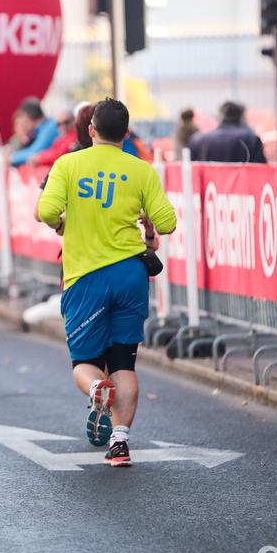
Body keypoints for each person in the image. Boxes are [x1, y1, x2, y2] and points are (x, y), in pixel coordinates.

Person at [36, 98, 177, 467]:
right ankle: (120, 443)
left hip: (86, 276)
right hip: (131, 274)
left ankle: (97, 388)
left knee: (84, 361)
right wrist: (146, 224)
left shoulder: (67, 164)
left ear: (91, 130)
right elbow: (168, 222)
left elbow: (46, 210)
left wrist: (60, 224)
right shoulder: (141, 169)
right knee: (124, 363)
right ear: (126, 134)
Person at [186, 101, 266, 163]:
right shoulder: (252, 140)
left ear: (219, 116)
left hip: (209, 183)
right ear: (241, 117)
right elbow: (259, 172)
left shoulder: (198, 140)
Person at [9, 97, 59, 167]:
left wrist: (11, 158)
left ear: (27, 116)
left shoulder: (49, 128)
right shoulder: (45, 126)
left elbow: (35, 152)